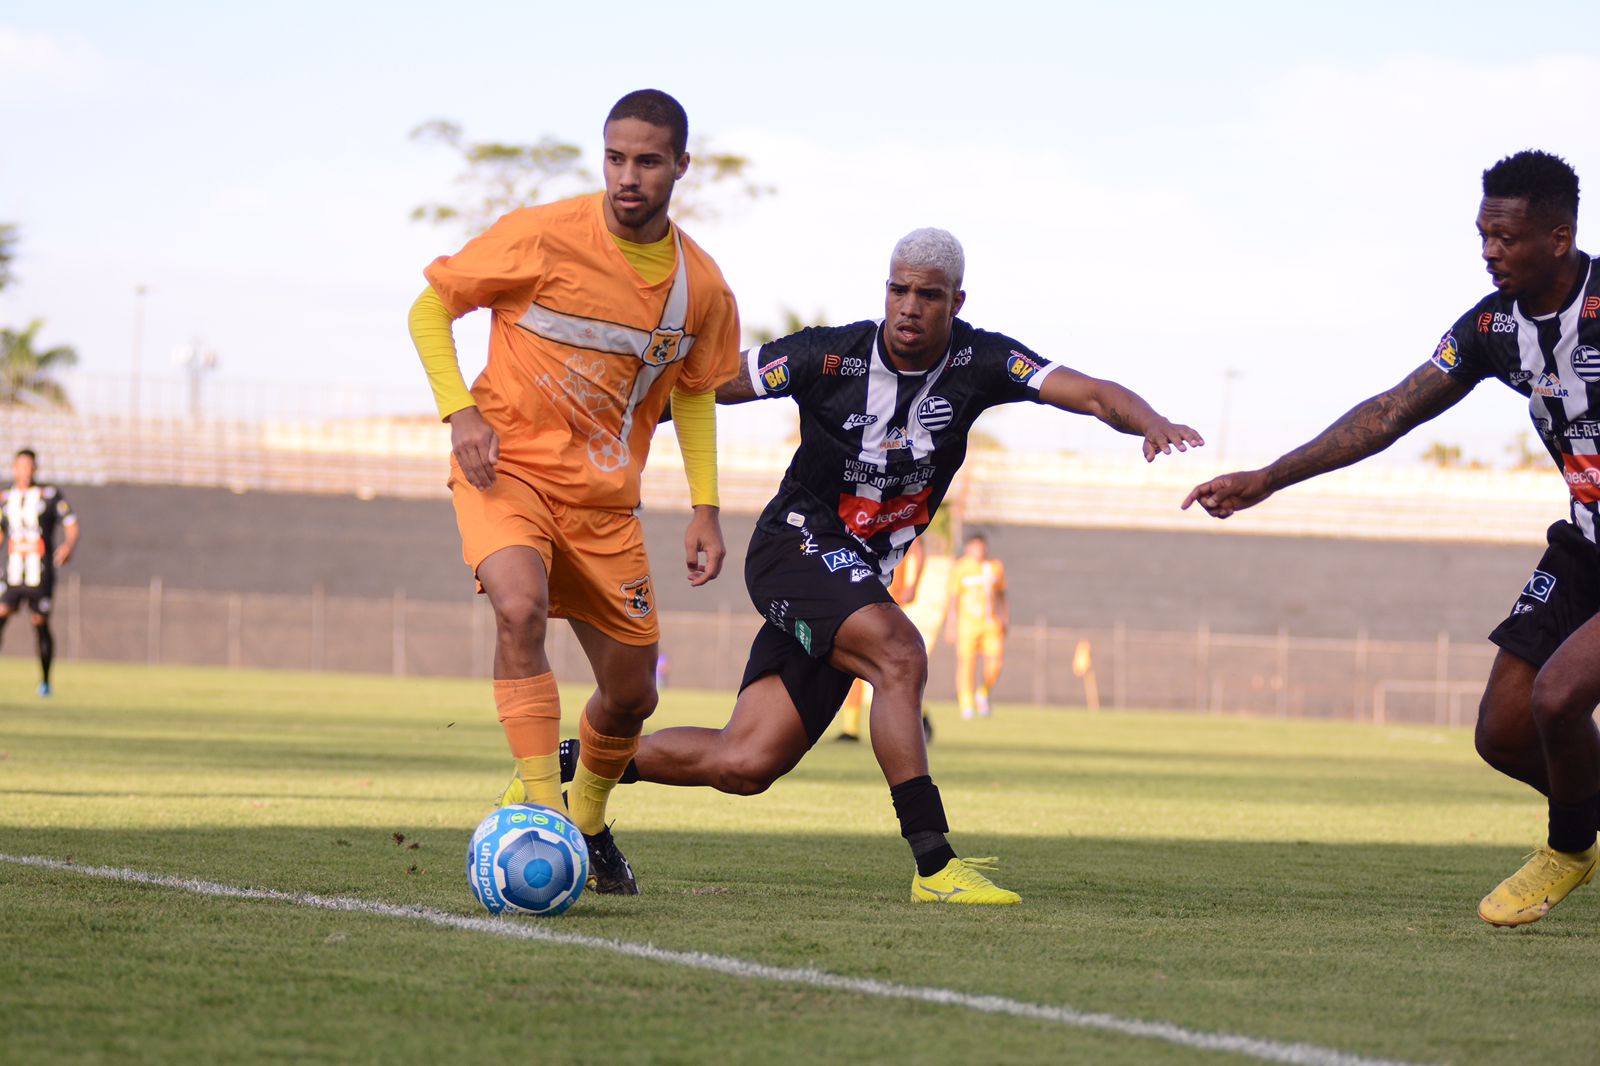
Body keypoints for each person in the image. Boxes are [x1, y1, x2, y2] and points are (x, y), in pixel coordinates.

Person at [564, 228, 1202, 903]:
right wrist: (609, 422)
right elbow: (709, 386)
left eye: (928, 295)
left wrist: (1150, 419)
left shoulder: (981, 361)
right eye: (898, 289)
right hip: (794, 545)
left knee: (746, 761)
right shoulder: (827, 354)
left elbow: (1093, 392)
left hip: (855, 580)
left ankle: (564, 766)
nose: (909, 306)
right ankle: (934, 865)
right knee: (900, 654)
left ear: (955, 302)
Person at [1183, 150, 1600, 928]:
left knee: (1561, 695)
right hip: (1584, 542)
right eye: (1482, 235)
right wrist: (1269, 477)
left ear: (1559, 236)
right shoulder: (1491, 327)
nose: (1489, 252)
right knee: (1503, 731)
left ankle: (1570, 849)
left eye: (1505, 238)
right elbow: (1389, 413)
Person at [408, 89, 740, 894]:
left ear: (679, 167)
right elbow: (430, 309)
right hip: (506, 470)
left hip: (603, 507)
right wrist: (460, 413)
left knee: (633, 697)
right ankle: (539, 812)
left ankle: (587, 820)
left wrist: (705, 506)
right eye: (616, 157)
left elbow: (693, 392)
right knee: (517, 609)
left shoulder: (702, 288)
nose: (629, 176)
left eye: (648, 161)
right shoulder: (542, 235)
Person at [0, 449, 77, 697]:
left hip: (40, 573)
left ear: (35, 469)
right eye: (21, 466)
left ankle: (45, 682)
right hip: (12, 573)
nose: (25, 471)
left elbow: (72, 525)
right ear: (14, 468)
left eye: (29, 466)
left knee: (40, 622)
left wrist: (68, 546)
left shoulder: (50, 495)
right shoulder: (4, 498)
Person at [835, 538, 929, 742]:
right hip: (860, 598)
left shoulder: (897, 516)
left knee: (892, 663)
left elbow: (918, 550)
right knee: (856, 658)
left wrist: (913, 585)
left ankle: (919, 716)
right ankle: (850, 728)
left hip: (888, 600)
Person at [945, 531, 1007, 719]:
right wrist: (951, 624)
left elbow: (1002, 595)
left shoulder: (995, 567)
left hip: (990, 623)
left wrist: (1005, 617)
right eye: (976, 546)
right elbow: (953, 598)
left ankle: (983, 692)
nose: (980, 550)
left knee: (995, 663)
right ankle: (966, 703)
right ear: (968, 548)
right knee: (967, 664)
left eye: (982, 546)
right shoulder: (961, 568)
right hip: (967, 624)